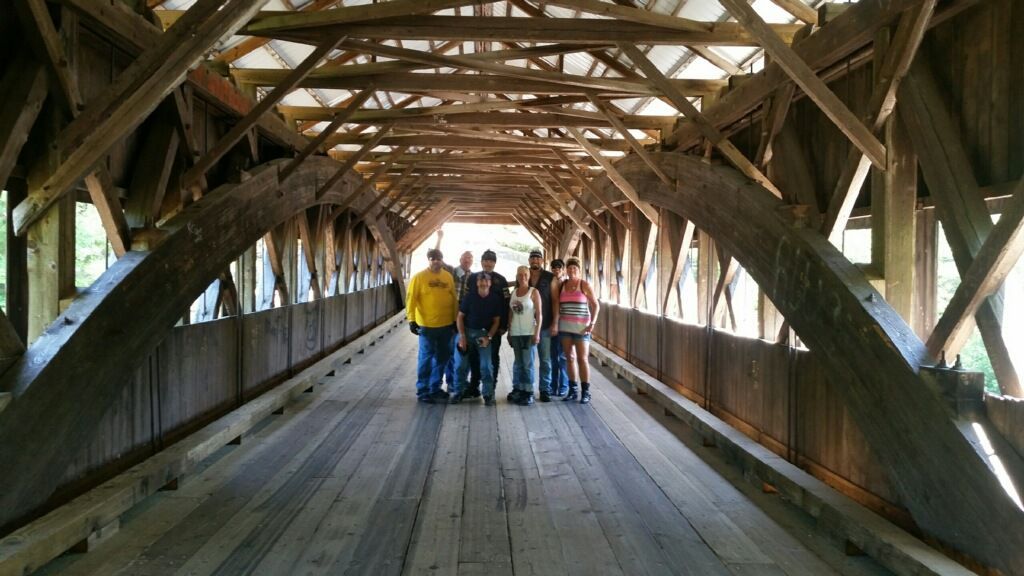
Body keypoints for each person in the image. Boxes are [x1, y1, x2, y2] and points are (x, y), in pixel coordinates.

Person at [406, 249, 458, 404]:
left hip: (446, 325)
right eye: (432, 258)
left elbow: (453, 299)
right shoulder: (419, 277)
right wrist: (411, 320)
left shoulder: (448, 277)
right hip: (427, 326)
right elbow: (411, 299)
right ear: (428, 260)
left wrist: (455, 319)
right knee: (426, 358)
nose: (436, 261)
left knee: (442, 357)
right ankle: (423, 390)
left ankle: (435, 388)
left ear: (442, 260)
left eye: (438, 258)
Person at [461, 249, 510, 399]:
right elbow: (465, 299)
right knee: (474, 357)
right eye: (486, 260)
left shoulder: (501, 280)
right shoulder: (473, 278)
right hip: (474, 326)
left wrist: (504, 325)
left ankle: (490, 388)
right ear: (481, 262)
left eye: (491, 261)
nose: (488, 263)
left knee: (492, 357)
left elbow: (506, 303)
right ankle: (474, 386)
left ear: (495, 263)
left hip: (494, 327)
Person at [552, 257, 600, 404]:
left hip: (581, 328)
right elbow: (557, 305)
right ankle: (573, 390)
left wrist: (592, 323)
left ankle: (585, 392)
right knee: (569, 358)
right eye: (569, 268)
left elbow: (595, 305)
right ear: (566, 270)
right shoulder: (562, 285)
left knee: (582, 359)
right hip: (565, 327)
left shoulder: (584, 284)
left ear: (579, 270)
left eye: (575, 268)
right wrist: (556, 323)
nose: (572, 270)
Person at [455, 272, 505, 406]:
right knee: (460, 365)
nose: (484, 283)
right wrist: (462, 336)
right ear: (477, 283)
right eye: (481, 280)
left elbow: (496, 321)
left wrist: (489, 337)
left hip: (483, 334)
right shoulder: (469, 297)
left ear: (490, 283)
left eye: (486, 280)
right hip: (467, 332)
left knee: (486, 366)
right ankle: (458, 391)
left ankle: (488, 394)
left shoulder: (495, 299)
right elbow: (460, 317)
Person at [526, 250, 559, 402]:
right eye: (532, 258)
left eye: (538, 258)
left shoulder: (550, 277)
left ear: (542, 261)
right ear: (529, 260)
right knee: (528, 360)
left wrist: (555, 322)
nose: (535, 260)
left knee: (545, 359)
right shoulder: (524, 276)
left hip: (545, 325)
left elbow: (555, 301)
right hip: (526, 325)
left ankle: (545, 389)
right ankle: (528, 389)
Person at [445, 251, 479, 390]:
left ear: (472, 261)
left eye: (470, 258)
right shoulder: (452, 272)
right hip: (450, 315)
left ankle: (462, 381)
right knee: (451, 350)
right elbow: (437, 259)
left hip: (465, 317)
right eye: (465, 258)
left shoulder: (474, 277)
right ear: (460, 259)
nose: (467, 260)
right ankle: (451, 382)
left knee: (465, 349)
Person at [508, 265, 542, 406]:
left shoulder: (534, 292)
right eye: (520, 274)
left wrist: (537, 332)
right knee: (519, 363)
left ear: (529, 276)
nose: (523, 277)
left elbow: (539, 314)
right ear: (517, 276)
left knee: (528, 363)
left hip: (529, 333)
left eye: (525, 274)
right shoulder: (514, 292)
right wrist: (509, 331)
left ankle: (529, 392)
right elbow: (511, 313)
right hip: (516, 332)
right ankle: (520, 389)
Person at [548, 258, 569, 396]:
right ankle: (553, 385)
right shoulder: (550, 282)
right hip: (552, 323)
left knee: (563, 357)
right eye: (554, 268)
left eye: (559, 268)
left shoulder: (567, 284)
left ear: (563, 269)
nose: (556, 270)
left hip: (565, 324)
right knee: (553, 356)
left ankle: (563, 386)